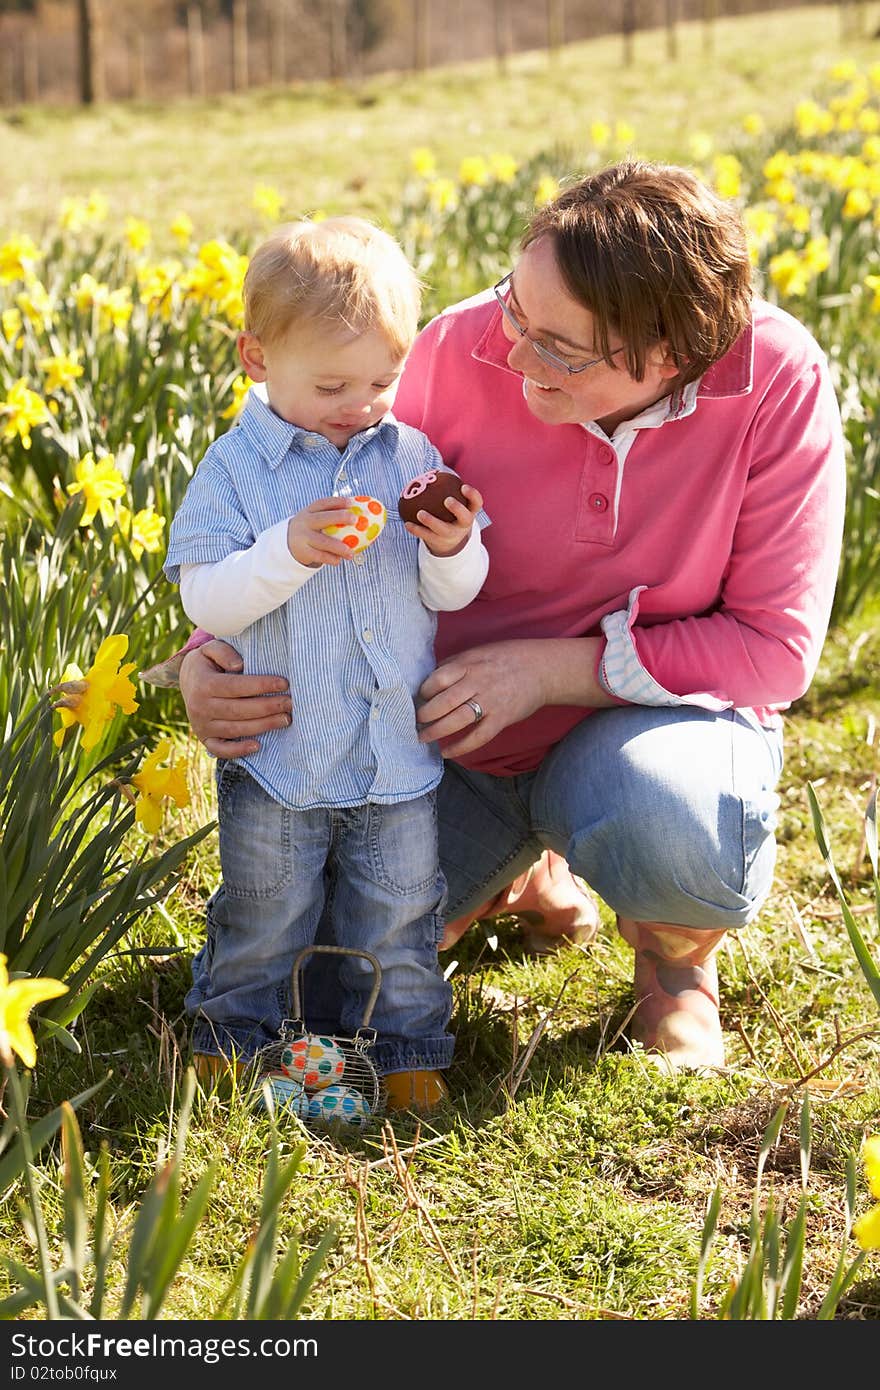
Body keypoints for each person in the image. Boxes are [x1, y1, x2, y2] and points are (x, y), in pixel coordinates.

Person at [157, 160, 846, 1076]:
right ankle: (529, 873)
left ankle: (674, 974)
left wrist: (546, 673)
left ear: (670, 353)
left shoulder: (773, 379)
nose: (512, 351)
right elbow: (321, 503)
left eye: (558, 346)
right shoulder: (454, 348)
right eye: (516, 309)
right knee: (320, 975)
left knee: (677, 823)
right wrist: (209, 655)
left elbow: (773, 649)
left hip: (645, 729)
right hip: (445, 739)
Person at [162, 217, 490, 1112]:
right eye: (334, 383)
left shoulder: (409, 454)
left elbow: (454, 595)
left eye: (383, 380)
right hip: (282, 751)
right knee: (266, 908)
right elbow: (207, 601)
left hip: (394, 749)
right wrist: (288, 552)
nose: (360, 404)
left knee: (400, 912)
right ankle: (233, 1036)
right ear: (257, 358)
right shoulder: (235, 471)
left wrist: (453, 548)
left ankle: (409, 1046)